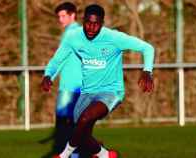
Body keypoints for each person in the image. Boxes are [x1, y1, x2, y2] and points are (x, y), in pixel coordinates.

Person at [42, 4, 155, 158]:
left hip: (110, 92)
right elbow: (57, 59)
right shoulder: (73, 37)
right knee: (81, 133)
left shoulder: (114, 38)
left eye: (96, 24)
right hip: (87, 92)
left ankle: (64, 155)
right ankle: (106, 155)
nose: (91, 28)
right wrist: (48, 75)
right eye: (88, 23)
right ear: (83, 21)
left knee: (85, 119)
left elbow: (147, 48)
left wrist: (147, 71)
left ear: (102, 23)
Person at [41, 2, 81, 158]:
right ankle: (82, 153)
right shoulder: (76, 32)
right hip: (75, 86)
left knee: (65, 124)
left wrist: (49, 75)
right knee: (72, 124)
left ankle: (76, 154)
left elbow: (59, 59)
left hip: (71, 87)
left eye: (64, 16)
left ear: (73, 15)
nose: (60, 19)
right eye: (59, 16)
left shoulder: (73, 33)